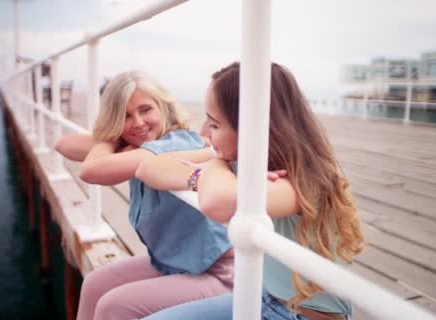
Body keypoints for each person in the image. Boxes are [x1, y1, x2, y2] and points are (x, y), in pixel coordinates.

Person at [135, 62, 365, 320]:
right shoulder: (243, 166)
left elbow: (216, 201)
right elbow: (149, 167)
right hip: (265, 297)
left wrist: (215, 166)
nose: (203, 132)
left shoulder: (298, 184)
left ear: (253, 128)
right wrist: (211, 169)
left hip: (300, 315)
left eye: (214, 124)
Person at [54, 70, 234, 320]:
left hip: (219, 274)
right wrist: (115, 139)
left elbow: (91, 170)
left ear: (163, 107)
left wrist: (112, 144)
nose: (138, 122)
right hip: (173, 263)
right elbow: (63, 144)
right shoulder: (139, 148)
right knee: (94, 284)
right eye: (126, 116)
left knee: (113, 307)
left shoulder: (178, 142)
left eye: (146, 110)